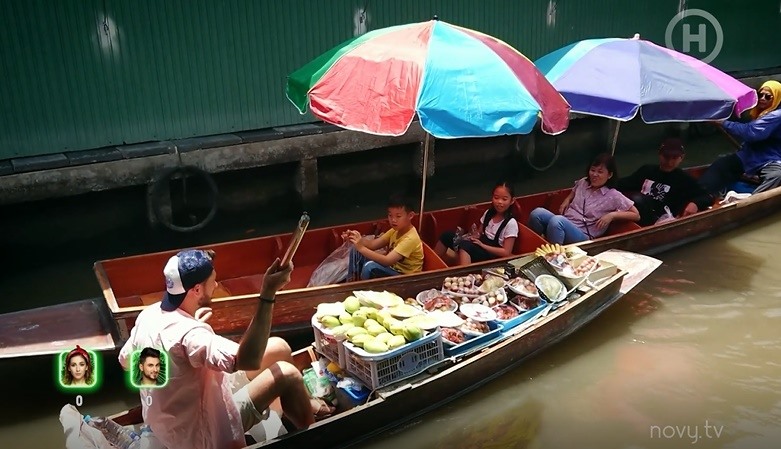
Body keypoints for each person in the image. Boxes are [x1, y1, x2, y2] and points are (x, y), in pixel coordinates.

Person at [119, 249, 333, 449]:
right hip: (203, 435)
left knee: (278, 347)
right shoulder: (191, 335)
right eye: (213, 281)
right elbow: (248, 360)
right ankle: (318, 438)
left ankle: (298, 408)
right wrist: (268, 293)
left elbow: (126, 362)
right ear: (196, 290)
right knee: (288, 375)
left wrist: (180, 357)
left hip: (173, 420)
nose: (216, 284)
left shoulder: (150, 315)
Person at [528, 153, 640, 244]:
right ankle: (536, 244)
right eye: (593, 170)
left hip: (583, 234)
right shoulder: (583, 182)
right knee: (537, 213)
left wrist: (612, 215)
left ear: (609, 175)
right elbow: (574, 191)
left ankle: (555, 257)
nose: (594, 174)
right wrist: (567, 199)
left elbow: (636, 215)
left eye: (600, 172)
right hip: (567, 221)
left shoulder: (614, 195)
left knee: (557, 221)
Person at [698, 80, 781, 197]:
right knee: (720, 165)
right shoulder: (760, 113)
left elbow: (751, 132)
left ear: (777, 98)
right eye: (760, 95)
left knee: (777, 176)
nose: (762, 98)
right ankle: (699, 197)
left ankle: (751, 202)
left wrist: (722, 123)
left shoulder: (776, 115)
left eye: (767, 97)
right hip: (748, 156)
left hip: (768, 160)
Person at [616, 138, 712, 226]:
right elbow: (623, 184)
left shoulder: (684, 179)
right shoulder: (647, 170)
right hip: (637, 213)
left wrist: (695, 203)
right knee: (636, 199)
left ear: (681, 158)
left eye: (674, 158)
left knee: (638, 199)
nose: (669, 162)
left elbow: (707, 197)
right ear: (659, 154)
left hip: (661, 220)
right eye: (666, 157)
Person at [434, 181, 519, 265]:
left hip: (492, 254)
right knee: (447, 236)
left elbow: (506, 252)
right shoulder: (488, 213)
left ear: (512, 201)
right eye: (496, 198)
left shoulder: (511, 223)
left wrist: (482, 245)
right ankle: (434, 266)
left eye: (504, 199)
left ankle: (466, 273)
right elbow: (479, 233)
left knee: (465, 246)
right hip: (479, 246)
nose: (499, 202)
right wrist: (471, 236)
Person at [343, 195, 424, 280]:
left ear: (410, 215)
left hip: (405, 276)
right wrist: (356, 239)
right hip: (392, 268)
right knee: (355, 250)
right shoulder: (395, 230)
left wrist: (361, 248)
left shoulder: (410, 238)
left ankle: (362, 286)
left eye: (398, 216)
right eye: (390, 215)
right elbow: (373, 245)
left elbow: (387, 261)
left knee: (370, 267)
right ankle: (352, 281)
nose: (393, 220)